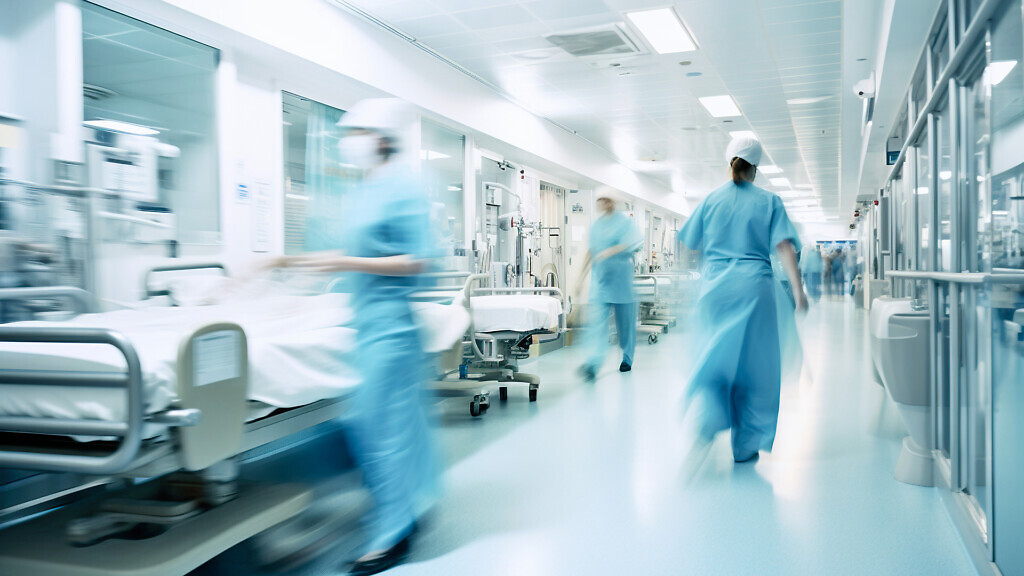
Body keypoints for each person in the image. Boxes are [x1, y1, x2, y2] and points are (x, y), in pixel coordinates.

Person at [269, 98, 438, 576]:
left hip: (392, 326)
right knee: (393, 425)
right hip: (365, 322)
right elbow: (356, 249)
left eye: (356, 134)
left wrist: (345, 262)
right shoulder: (366, 189)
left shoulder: (405, 186)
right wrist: (296, 263)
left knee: (377, 426)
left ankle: (392, 534)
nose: (348, 144)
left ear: (380, 138)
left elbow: (418, 260)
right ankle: (412, 506)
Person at [677, 135, 807, 467]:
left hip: (715, 290)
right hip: (755, 289)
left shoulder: (710, 200)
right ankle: (746, 445)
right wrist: (798, 290)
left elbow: (689, 246)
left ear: (729, 161)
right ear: (757, 169)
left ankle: (709, 419)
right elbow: (784, 248)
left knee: (717, 356)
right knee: (757, 368)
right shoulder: (769, 201)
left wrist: (693, 282)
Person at [576, 189, 643, 382]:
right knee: (596, 325)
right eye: (599, 200)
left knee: (625, 326)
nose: (602, 204)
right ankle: (593, 363)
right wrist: (580, 278)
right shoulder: (596, 226)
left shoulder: (626, 223)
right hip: (601, 284)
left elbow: (632, 243)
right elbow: (591, 251)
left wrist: (610, 251)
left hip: (622, 283)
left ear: (613, 203)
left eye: (605, 200)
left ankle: (627, 358)